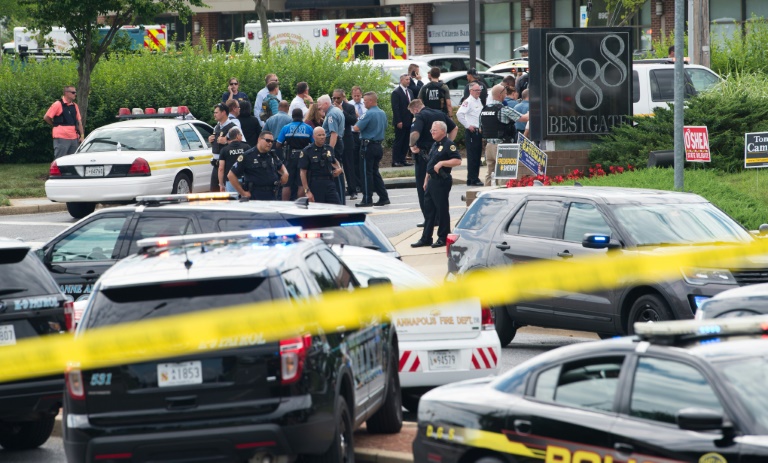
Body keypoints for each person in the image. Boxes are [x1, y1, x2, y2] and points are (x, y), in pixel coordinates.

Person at [410, 121, 462, 248]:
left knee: (441, 210)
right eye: (431, 130)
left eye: (435, 130)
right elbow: (431, 163)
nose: (432, 132)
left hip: (441, 181)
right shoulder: (435, 144)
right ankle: (426, 238)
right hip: (431, 180)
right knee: (429, 211)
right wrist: (426, 179)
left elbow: (457, 160)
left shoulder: (449, 144)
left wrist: (442, 163)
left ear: (443, 132)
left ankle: (443, 237)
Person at [408, 99, 458, 228]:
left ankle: (429, 219)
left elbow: (415, 133)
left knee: (423, 188)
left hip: (424, 156)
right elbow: (454, 128)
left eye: (412, 113)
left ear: (415, 109)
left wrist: (411, 145)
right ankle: (438, 218)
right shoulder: (439, 114)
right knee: (437, 189)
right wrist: (446, 144)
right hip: (438, 155)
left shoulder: (419, 116)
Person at [352, 91, 390, 207]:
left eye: (365, 101)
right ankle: (383, 197)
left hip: (367, 146)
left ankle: (367, 199)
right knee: (374, 172)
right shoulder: (382, 113)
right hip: (378, 146)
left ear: (371, 101)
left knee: (366, 173)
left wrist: (357, 119)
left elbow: (356, 127)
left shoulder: (368, 114)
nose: (364, 104)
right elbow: (386, 126)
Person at [481, 84, 523, 186]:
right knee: (505, 174)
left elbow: (480, 128)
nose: (506, 95)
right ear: (500, 95)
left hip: (489, 146)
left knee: (489, 173)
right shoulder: (503, 109)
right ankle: (503, 196)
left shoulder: (484, 110)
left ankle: (486, 194)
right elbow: (522, 118)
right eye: (505, 93)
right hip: (503, 145)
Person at [228, 131, 288, 200]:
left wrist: (285, 173)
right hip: (255, 195)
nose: (270, 143)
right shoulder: (248, 156)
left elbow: (280, 165)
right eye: (267, 140)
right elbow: (231, 175)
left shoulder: (271, 155)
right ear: (259, 139)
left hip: (272, 194)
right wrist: (243, 193)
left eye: (272, 141)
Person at [277, 109, 314, 200]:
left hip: (290, 157)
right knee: (301, 183)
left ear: (292, 116)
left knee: (287, 184)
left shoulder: (286, 128)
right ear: (302, 116)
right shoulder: (308, 128)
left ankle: (285, 206)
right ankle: (299, 205)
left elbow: (278, 144)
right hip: (304, 157)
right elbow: (313, 144)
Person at [299, 127, 343, 204]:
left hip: (329, 182)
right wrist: (307, 191)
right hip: (316, 184)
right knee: (319, 210)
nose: (322, 137)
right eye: (319, 135)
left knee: (337, 207)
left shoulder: (329, 149)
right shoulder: (307, 151)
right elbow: (303, 172)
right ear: (313, 137)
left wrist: (339, 168)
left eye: (323, 135)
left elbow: (334, 160)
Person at [319, 94, 347, 203]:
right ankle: (341, 199)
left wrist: (329, 150)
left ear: (326, 103)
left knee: (336, 170)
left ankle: (340, 200)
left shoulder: (331, 115)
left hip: (333, 143)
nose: (319, 107)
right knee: (338, 169)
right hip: (339, 142)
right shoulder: (337, 110)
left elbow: (333, 134)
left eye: (320, 104)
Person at [44, 85, 84, 158]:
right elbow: (46, 117)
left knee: (73, 159)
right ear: (66, 93)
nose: (75, 94)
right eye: (73, 92)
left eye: (75, 92)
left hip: (74, 138)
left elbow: (79, 122)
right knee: (60, 159)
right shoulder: (57, 104)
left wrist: (82, 136)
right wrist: (54, 125)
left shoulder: (75, 106)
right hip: (61, 137)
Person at [457, 82, 484, 186]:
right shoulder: (468, 101)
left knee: (477, 156)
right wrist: (467, 125)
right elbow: (459, 114)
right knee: (473, 157)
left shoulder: (478, 100)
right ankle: (473, 178)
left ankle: (472, 177)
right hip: (472, 132)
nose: (478, 92)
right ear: (470, 91)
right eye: (476, 90)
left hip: (478, 132)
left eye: (479, 90)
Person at [334, 88, 359, 200]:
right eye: (333, 98)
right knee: (337, 165)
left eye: (338, 98)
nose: (335, 100)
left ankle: (352, 190)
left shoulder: (349, 107)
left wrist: (342, 110)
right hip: (336, 139)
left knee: (349, 165)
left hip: (347, 138)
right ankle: (340, 189)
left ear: (343, 97)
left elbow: (353, 120)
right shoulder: (331, 108)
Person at [208, 102, 237, 191]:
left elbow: (241, 143)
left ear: (224, 112)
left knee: (226, 194)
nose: (214, 115)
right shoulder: (216, 127)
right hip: (216, 165)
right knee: (214, 192)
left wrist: (227, 141)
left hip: (227, 165)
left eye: (216, 112)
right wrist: (210, 140)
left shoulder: (233, 128)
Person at [390, 73, 414, 167]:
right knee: (399, 141)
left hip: (409, 120)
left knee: (406, 141)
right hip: (400, 121)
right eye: (406, 80)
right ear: (401, 80)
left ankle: (402, 159)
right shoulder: (396, 92)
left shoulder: (410, 92)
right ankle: (395, 160)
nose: (408, 81)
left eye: (409, 79)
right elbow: (395, 108)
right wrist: (398, 121)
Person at [218, 127, 251, 193]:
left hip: (230, 180)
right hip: (245, 179)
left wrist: (221, 184)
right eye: (241, 135)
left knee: (233, 201)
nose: (241, 136)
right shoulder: (246, 147)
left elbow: (221, 168)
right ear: (237, 136)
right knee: (246, 200)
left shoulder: (224, 150)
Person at [350, 86, 366, 195]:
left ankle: (365, 183)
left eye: (358, 95)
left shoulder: (365, 104)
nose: (357, 98)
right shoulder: (350, 105)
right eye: (355, 96)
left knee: (363, 159)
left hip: (363, 134)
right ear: (351, 95)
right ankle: (357, 184)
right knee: (355, 160)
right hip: (353, 134)